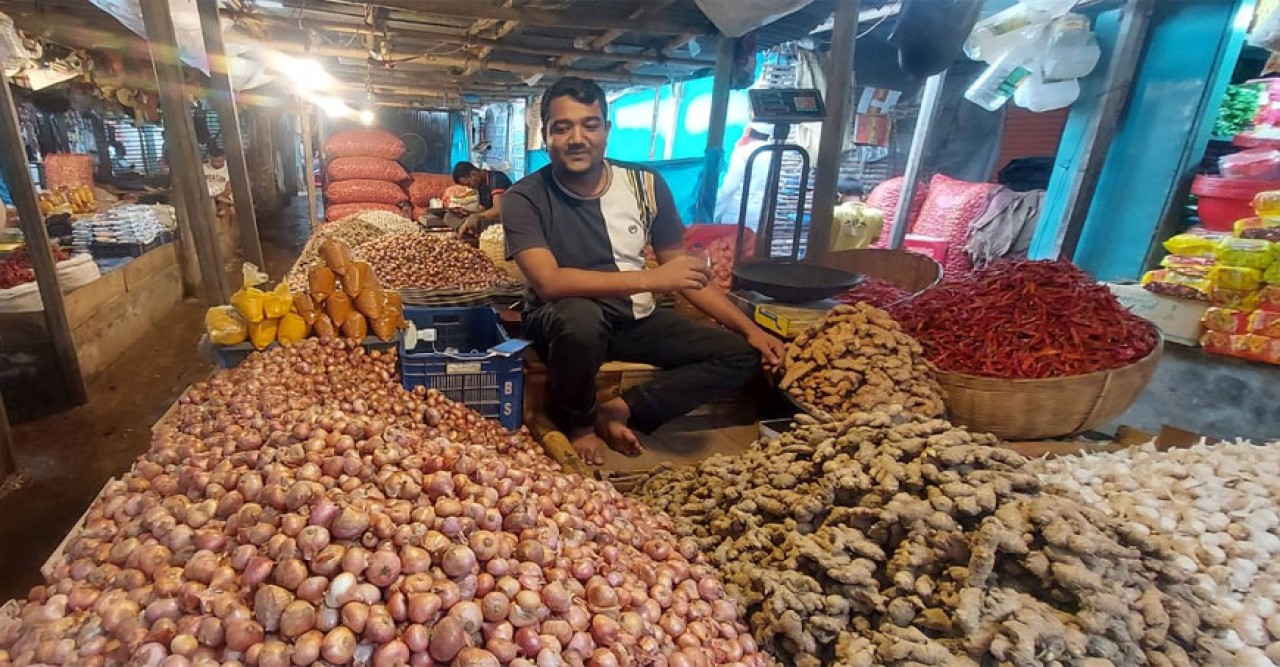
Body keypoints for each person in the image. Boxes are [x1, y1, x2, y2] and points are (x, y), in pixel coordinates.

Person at [502, 76, 786, 465]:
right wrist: (651, 280)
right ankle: (580, 424)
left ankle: (621, 409)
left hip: (633, 318)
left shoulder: (646, 184)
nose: (577, 138)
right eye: (561, 127)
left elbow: (682, 271)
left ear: (606, 129)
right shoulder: (524, 198)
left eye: (590, 124)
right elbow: (549, 282)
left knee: (738, 355)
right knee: (580, 319)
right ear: (546, 136)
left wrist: (751, 329)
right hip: (560, 321)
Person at [714, 123, 773, 229]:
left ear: (748, 131)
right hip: (760, 212)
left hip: (737, 211)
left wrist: (714, 215)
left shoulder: (742, 152)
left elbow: (729, 188)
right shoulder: (772, 153)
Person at [451, 161, 512, 238]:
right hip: (492, 217)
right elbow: (483, 209)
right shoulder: (480, 185)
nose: (470, 187)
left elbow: (498, 210)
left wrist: (471, 219)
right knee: (448, 216)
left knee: (473, 221)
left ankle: (469, 232)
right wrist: (466, 212)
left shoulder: (496, 178)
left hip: (506, 218)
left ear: (474, 174)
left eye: (469, 184)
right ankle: (466, 231)